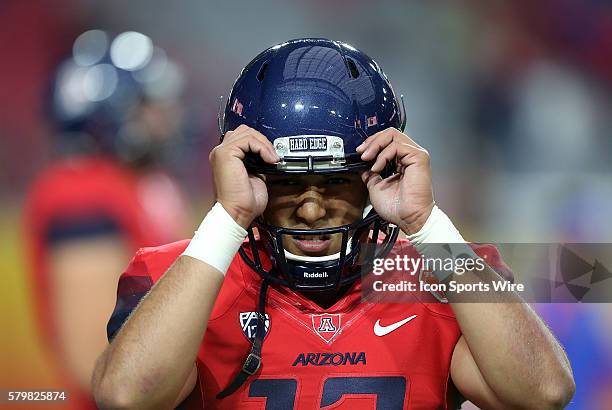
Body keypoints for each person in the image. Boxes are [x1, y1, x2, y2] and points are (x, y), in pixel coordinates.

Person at [92, 38, 575, 409]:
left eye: (337, 183)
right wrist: (228, 219)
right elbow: (127, 396)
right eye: (285, 184)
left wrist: (427, 224)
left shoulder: (443, 272)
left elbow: (543, 392)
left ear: (379, 175)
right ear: (245, 173)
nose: (310, 210)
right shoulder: (178, 277)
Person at [24, 29, 190, 408]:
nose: (169, 117)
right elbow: (94, 358)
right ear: (112, 114)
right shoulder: (80, 194)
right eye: (151, 105)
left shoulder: (142, 185)